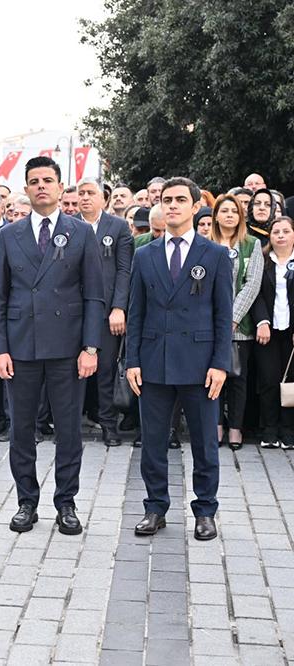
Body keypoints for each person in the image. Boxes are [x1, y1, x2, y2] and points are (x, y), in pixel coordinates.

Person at [0, 156, 105, 535]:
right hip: (20, 347)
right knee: (22, 429)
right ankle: (26, 501)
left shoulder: (80, 232)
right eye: (34, 180)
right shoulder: (9, 235)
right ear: (25, 188)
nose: (41, 186)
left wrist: (91, 347)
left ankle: (66, 502)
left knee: (68, 430)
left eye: (48, 180)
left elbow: (94, 295)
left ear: (60, 187)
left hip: (67, 348)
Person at [127, 176, 231, 541]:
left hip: (200, 364)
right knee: (153, 442)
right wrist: (132, 361)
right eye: (167, 199)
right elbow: (135, 313)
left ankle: (205, 511)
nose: (171, 205)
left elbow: (223, 315)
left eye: (179, 200)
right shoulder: (145, 255)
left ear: (193, 206)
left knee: (204, 442)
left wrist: (220, 363)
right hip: (154, 361)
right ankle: (155, 508)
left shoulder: (215, 255)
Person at [76, 178, 134, 447]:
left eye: (91, 193)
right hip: (73, 311)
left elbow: (124, 270)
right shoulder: (69, 225)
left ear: (104, 198)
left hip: (106, 310)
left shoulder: (118, 227)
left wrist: (119, 307)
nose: (85, 197)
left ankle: (109, 426)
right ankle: (71, 425)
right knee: (71, 370)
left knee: (106, 370)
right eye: (81, 193)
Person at [209, 194, 262, 451]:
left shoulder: (251, 244)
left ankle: (235, 428)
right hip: (208, 323)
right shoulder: (205, 243)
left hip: (239, 325)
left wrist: (232, 318)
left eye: (234, 211)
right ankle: (216, 425)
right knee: (212, 375)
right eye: (224, 210)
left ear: (240, 216)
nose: (229, 214)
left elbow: (252, 285)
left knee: (238, 379)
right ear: (216, 215)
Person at [252, 216, 294, 450]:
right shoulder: (263, 260)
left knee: (290, 382)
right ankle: (269, 429)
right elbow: (255, 293)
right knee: (268, 380)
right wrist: (262, 321)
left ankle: (288, 430)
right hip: (268, 329)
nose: (280, 235)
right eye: (276, 231)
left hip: (291, 331)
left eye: (285, 231)